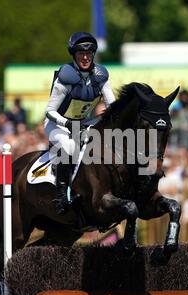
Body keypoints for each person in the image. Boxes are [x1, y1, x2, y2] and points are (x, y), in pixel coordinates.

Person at [44, 32, 116, 215]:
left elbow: (113, 106)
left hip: (83, 122)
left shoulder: (101, 77)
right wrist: (67, 123)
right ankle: (61, 196)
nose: (85, 58)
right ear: (74, 55)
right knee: (69, 148)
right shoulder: (66, 77)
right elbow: (49, 111)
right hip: (57, 124)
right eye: (80, 54)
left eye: (89, 54)